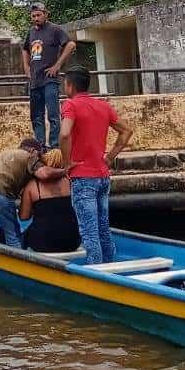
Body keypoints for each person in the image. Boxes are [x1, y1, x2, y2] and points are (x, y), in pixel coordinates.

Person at [59, 66, 134, 265]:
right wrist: (110, 157)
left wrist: (67, 163)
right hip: (102, 175)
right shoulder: (103, 106)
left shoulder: (70, 105)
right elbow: (126, 131)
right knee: (103, 228)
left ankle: (97, 273)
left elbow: (65, 133)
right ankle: (110, 266)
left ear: (70, 85)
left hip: (83, 177)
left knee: (89, 231)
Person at [0, 139, 67, 248]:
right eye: (40, 154)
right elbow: (44, 174)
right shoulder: (29, 156)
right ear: (33, 150)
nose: (41, 158)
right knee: (13, 237)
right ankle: (17, 263)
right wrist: (65, 171)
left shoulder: (6, 154)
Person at [22, 3, 76, 148]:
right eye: (33, 16)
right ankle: (40, 146)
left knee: (53, 115)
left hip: (49, 79)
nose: (36, 18)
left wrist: (57, 65)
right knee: (36, 116)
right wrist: (26, 67)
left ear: (45, 14)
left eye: (38, 15)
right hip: (35, 80)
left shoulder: (54, 29)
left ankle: (54, 145)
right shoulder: (31, 32)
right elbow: (25, 49)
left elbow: (70, 45)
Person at [19, 149, 81, 253]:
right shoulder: (70, 182)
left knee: (21, 236)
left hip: (43, 243)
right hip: (72, 242)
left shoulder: (32, 185)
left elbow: (24, 217)